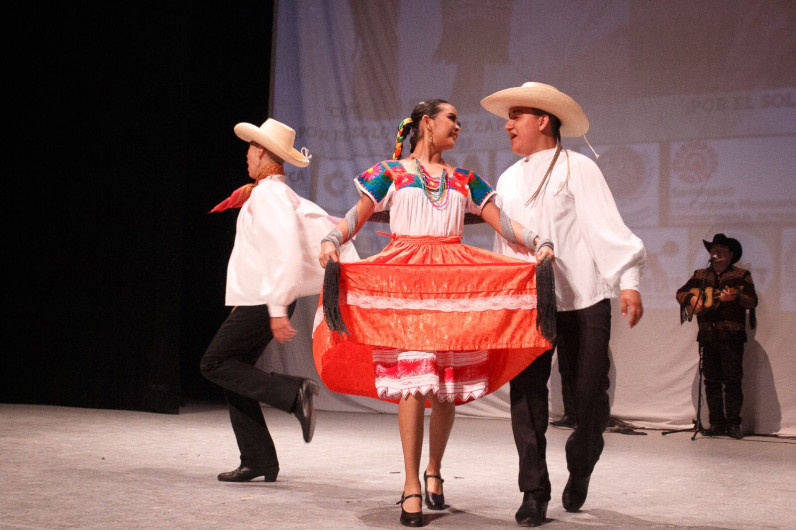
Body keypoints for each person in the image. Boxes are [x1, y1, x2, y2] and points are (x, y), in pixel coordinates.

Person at [315, 99, 555, 527]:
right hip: (405, 283)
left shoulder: (465, 180)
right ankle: (410, 485)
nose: (459, 127)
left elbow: (503, 223)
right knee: (414, 378)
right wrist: (333, 238)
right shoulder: (389, 172)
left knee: (444, 386)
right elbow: (359, 213)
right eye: (452, 119)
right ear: (427, 123)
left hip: (450, 286)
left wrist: (538, 242)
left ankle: (434, 471)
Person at [480, 82, 647, 526]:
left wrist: (628, 281)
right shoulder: (508, 178)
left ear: (543, 120)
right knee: (527, 399)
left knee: (590, 397)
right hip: (530, 303)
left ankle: (583, 457)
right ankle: (534, 490)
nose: (507, 125)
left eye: (516, 116)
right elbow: (504, 244)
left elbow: (606, 228)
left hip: (585, 298)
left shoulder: (579, 168)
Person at [200, 118, 357, 483]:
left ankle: (293, 392)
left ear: (261, 152)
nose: (246, 157)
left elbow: (282, 250)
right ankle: (259, 460)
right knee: (234, 374)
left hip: (267, 299)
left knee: (214, 363)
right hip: (260, 297)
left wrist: (275, 308)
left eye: (250, 150)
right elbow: (259, 256)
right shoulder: (270, 194)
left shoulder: (270, 196)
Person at [676, 233, 757, 439]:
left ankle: (733, 424)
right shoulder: (700, 275)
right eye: (713, 249)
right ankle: (716, 423)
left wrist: (736, 296)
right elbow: (680, 293)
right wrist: (692, 298)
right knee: (710, 380)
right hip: (707, 335)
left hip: (732, 336)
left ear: (731, 254)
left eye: (721, 250)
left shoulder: (741, 275)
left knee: (732, 380)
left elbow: (752, 301)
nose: (716, 253)